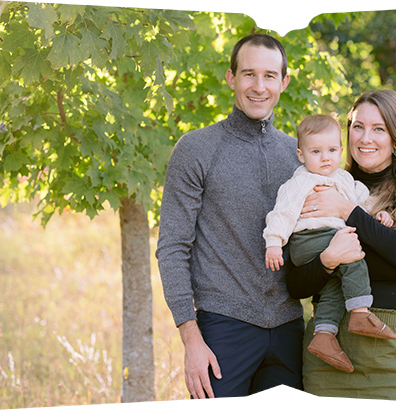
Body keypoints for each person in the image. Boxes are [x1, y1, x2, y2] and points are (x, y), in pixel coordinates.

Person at [156, 33, 305, 399]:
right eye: (248, 74)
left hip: (289, 331)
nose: (259, 86)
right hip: (223, 330)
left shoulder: (299, 156)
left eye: (269, 76)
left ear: (284, 82)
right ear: (231, 78)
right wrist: (191, 338)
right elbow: (173, 247)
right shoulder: (196, 149)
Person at [285, 89, 396, 401]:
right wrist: (327, 260)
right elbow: (295, 284)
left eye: (379, 128)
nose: (366, 138)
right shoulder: (326, 184)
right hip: (329, 348)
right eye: (357, 126)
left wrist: (347, 211)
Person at [262, 114, 396, 373]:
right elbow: (283, 213)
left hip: (327, 241)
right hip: (309, 240)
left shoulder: (345, 179)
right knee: (352, 253)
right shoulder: (300, 181)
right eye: (316, 151)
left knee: (335, 283)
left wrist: (377, 215)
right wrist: (273, 243)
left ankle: (324, 335)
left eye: (332, 150)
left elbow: (360, 203)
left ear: (340, 150)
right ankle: (359, 312)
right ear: (301, 155)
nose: (325, 157)